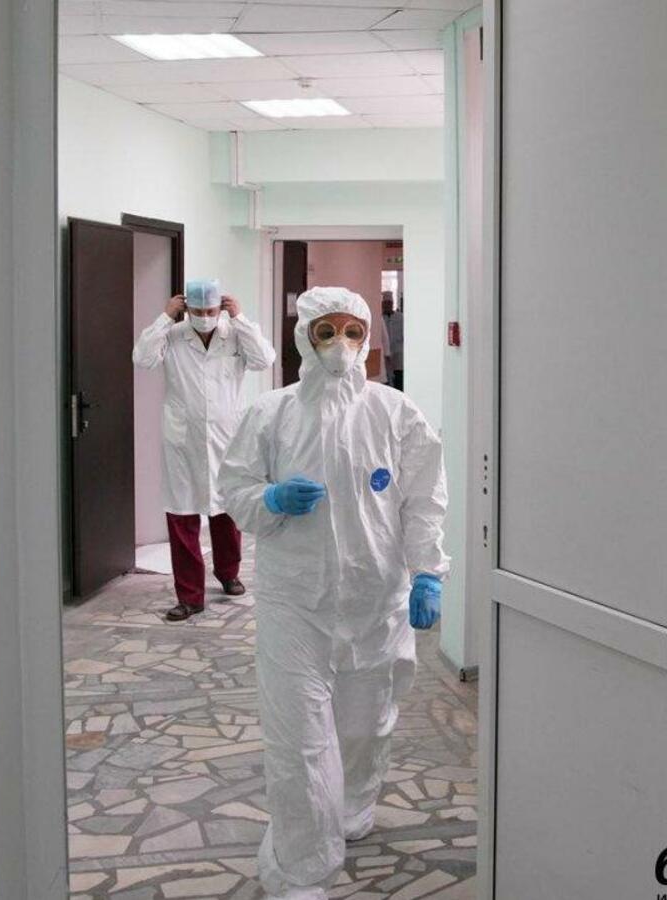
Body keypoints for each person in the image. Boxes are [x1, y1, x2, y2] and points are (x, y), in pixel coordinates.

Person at [217, 286, 449, 899]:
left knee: (365, 725)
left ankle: (349, 807)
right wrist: (269, 499)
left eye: (352, 331)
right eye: (327, 331)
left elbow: (423, 499)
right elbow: (234, 487)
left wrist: (428, 571)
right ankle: (301, 867)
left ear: (368, 338)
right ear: (304, 337)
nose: (340, 344)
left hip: (376, 601)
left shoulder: (396, 413)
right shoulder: (272, 413)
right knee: (299, 739)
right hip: (295, 602)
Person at [133, 279, 275, 622]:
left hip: (227, 438)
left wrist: (240, 319)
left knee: (226, 508)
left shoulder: (234, 335)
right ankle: (189, 596)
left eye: (211, 310)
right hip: (183, 441)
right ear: (186, 308)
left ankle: (228, 573)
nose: (205, 317)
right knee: (181, 514)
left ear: (220, 307)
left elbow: (264, 359)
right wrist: (165, 318)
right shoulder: (172, 335)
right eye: (197, 311)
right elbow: (142, 358)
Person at [381, 293, 404, 390]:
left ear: (392, 304)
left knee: (399, 377)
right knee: (387, 379)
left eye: (389, 303)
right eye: (385, 303)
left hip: (399, 353)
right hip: (385, 355)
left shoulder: (401, 317)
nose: (387, 305)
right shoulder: (380, 318)